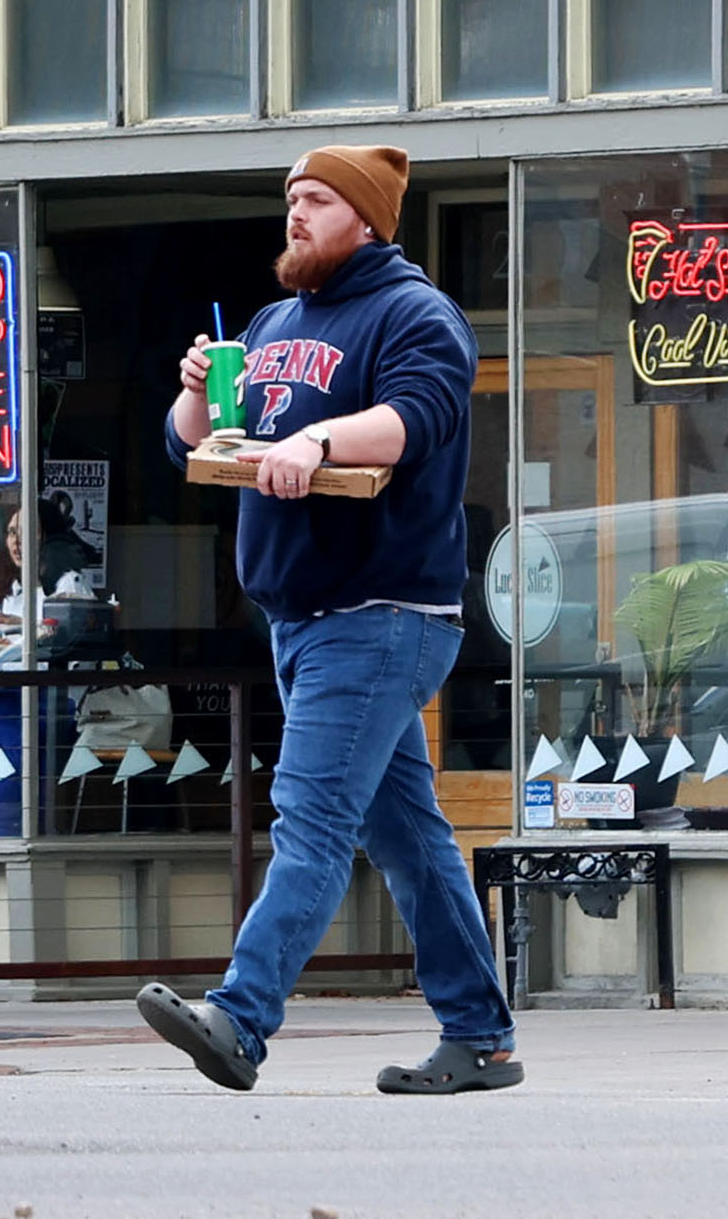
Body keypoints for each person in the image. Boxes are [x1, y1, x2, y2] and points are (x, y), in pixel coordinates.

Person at [135, 144, 520, 1099]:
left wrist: (314, 438)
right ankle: (482, 1037)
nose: (295, 214)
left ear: (368, 218)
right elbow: (198, 445)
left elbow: (415, 418)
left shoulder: (415, 313)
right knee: (408, 837)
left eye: (316, 199)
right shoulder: (269, 322)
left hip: (382, 613)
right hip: (299, 618)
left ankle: (240, 1017)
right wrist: (192, 394)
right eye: (291, 199)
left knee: (310, 819)